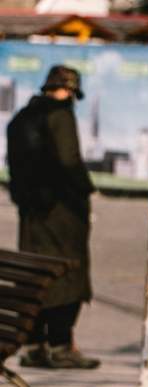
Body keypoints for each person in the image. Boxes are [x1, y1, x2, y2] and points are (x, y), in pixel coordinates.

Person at [6, 65, 99, 369]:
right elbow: (69, 159)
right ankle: (61, 344)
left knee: (35, 276)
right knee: (69, 274)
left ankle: (34, 345)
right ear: (68, 90)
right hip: (62, 212)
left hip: (32, 214)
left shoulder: (21, 118)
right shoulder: (60, 115)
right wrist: (86, 191)